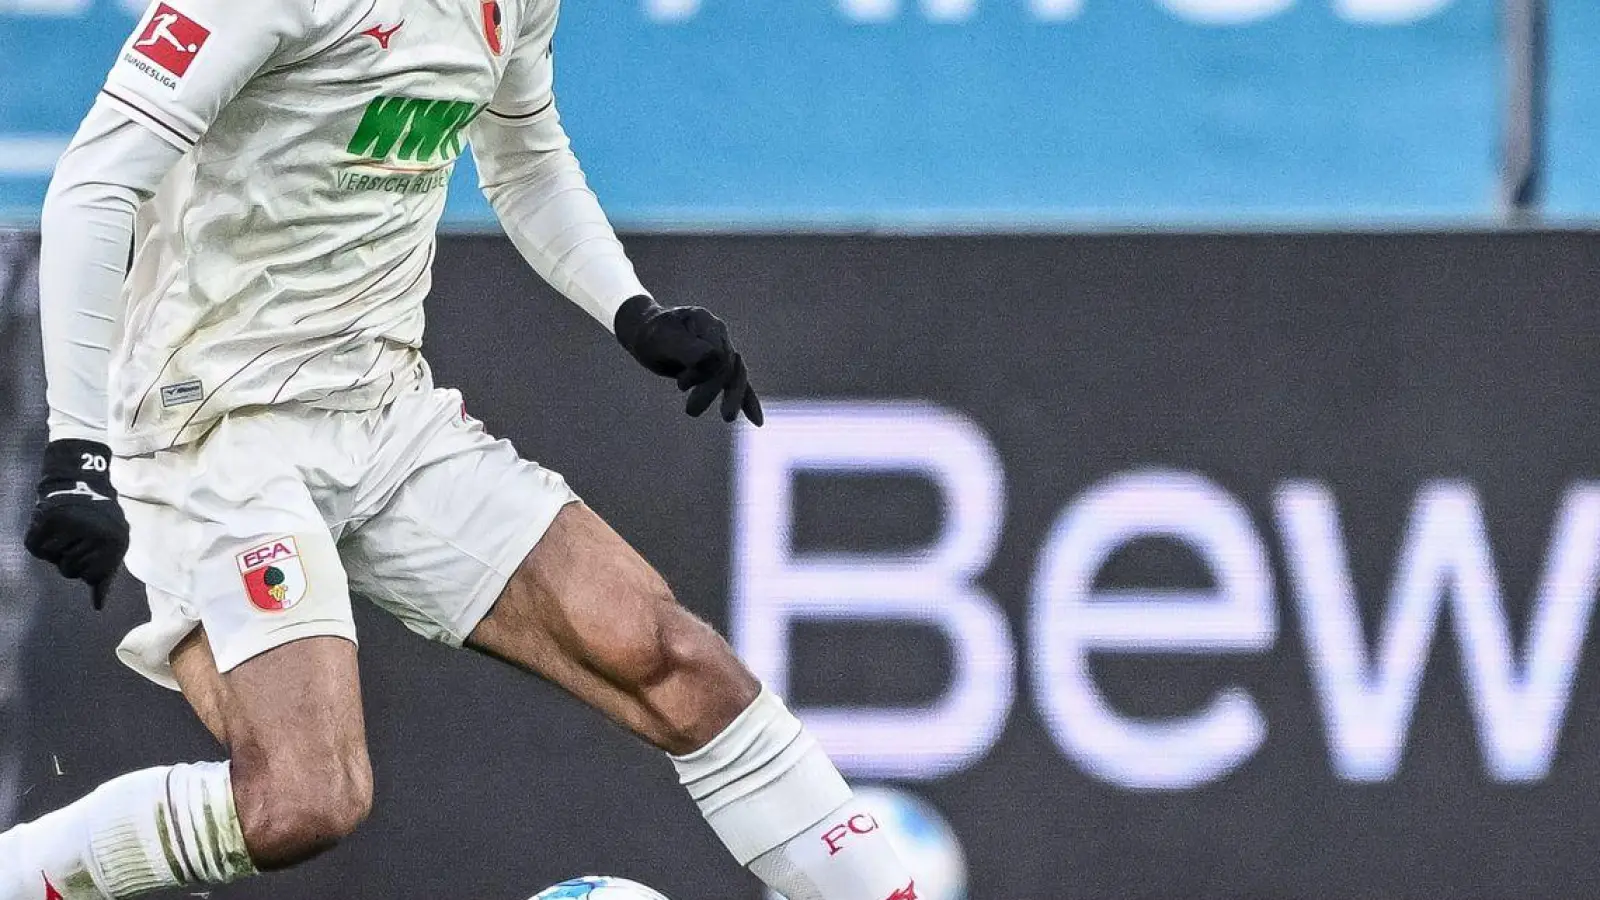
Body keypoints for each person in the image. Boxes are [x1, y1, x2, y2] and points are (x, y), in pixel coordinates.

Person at [0, 0, 917, 898]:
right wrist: (80, 450)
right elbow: (93, 183)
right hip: (216, 433)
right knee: (302, 802)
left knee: (676, 661)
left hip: (387, 412)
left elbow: (527, 161)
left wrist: (632, 311)